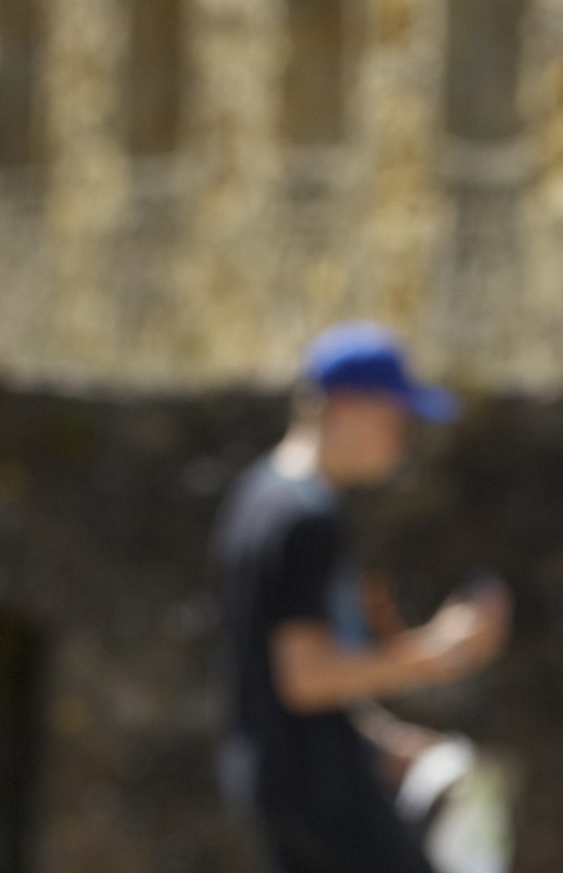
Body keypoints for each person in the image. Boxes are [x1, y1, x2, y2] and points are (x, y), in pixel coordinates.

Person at [213, 325, 512, 873]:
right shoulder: (306, 518)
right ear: (348, 408)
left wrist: (381, 738)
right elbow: (304, 679)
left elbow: (275, 670)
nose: (402, 440)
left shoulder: (257, 495)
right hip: (319, 787)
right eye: (395, 419)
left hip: (282, 778)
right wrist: (437, 651)